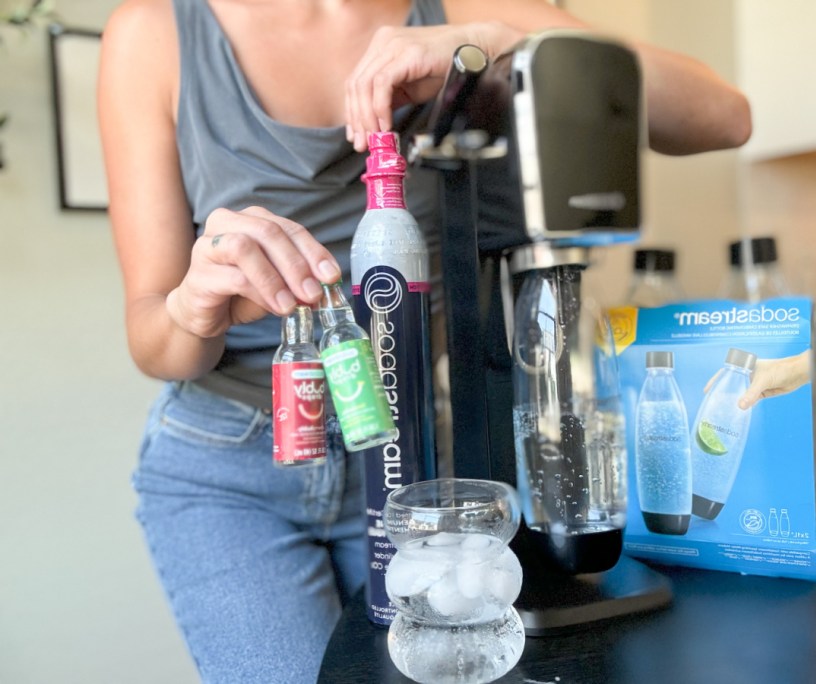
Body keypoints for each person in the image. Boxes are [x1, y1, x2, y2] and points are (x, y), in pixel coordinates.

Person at [98, 1, 751, 682]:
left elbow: (725, 116)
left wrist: (496, 42)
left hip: (409, 458)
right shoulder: (154, 34)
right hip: (230, 471)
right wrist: (191, 308)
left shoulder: (467, 5)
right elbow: (153, 341)